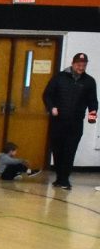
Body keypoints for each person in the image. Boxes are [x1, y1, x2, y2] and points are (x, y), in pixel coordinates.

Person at [42, 52, 98, 190]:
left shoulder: (89, 81)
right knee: (57, 150)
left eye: (84, 65)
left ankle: (64, 179)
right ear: (73, 64)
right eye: (79, 65)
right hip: (58, 121)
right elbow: (47, 94)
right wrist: (51, 107)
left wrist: (93, 114)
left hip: (76, 122)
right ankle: (59, 178)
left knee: (70, 150)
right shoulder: (59, 78)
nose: (81, 67)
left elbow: (93, 101)